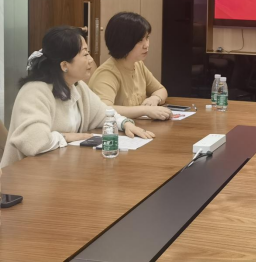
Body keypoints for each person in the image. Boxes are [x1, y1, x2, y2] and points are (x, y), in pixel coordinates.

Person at [1, 26, 155, 168]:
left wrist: (125, 123)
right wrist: (67, 137)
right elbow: (34, 142)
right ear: (64, 65)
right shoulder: (35, 91)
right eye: (85, 54)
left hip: (61, 169)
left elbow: (103, 113)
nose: (91, 60)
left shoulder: (77, 86)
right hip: (26, 177)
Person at [88, 12, 172, 120]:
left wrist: (155, 98)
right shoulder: (107, 73)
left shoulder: (138, 64)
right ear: (123, 41)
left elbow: (160, 89)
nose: (146, 45)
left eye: (147, 38)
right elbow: (104, 110)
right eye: (140, 40)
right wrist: (145, 110)